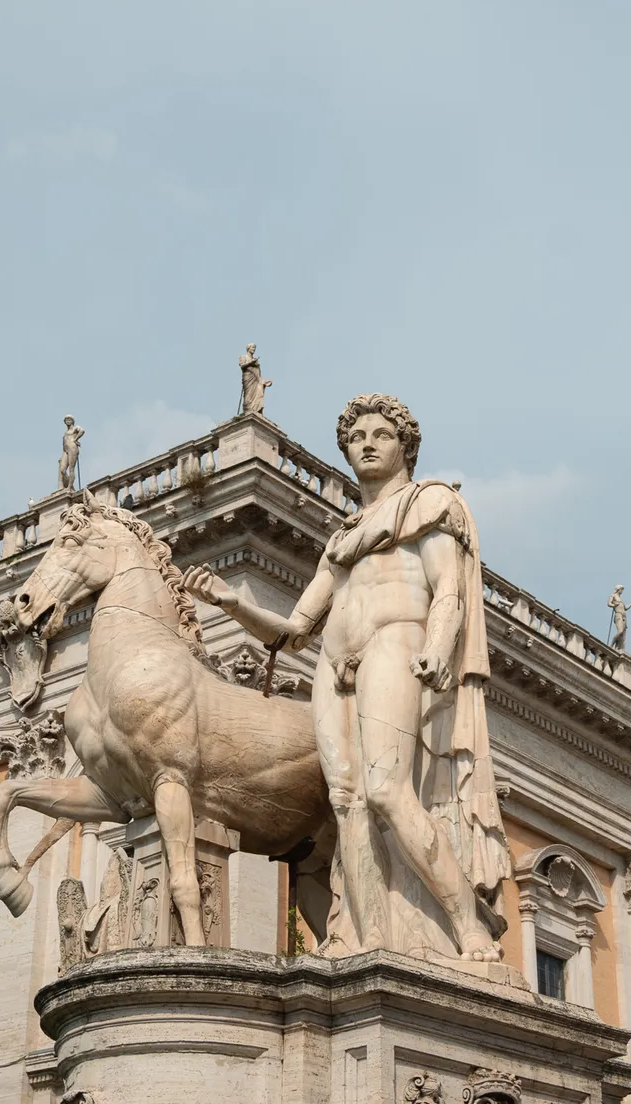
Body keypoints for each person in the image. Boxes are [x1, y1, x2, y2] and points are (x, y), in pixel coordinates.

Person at [184, 393, 507, 960]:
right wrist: (235, 605)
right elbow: (294, 630)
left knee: (386, 791)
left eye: (380, 434)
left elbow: (449, 590)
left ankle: (468, 927)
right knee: (347, 801)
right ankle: (369, 940)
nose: (367, 444)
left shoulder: (426, 505)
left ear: (404, 446)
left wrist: (436, 647)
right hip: (335, 664)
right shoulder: (341, 543)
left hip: (396, 644)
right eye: (357, 437)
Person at [238, 343, 272, 415]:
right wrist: (251, 363)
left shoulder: (256, 361)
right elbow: (242, 366)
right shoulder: (243, 357)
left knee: (258, 392)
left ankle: (255, 409)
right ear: (248, 348)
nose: (254, 349)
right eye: (252, 347)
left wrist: (264, 381)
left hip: (256, 380)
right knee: (248, 395)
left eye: (254, 348)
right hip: (248, 378)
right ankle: (247, 410)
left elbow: (259, 374)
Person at [58, 416, 85, 491]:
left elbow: (82, 430)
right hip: (65, 450)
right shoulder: (65, 432)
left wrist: (76, 439)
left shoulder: (75, 428)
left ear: (72, 421)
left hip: (72, 448)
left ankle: (69, 487)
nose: (67, 421)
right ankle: (71, 485)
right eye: (66, 420)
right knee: (62, 470)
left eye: (69, 420)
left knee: (71, 469)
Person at [607, 584, 631, 653]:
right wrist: (614, 605)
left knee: (623, 634)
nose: (622, 591)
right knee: (620, 631)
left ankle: (619, 648)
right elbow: (609, 604)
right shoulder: (613, 595)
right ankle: (610, 646)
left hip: (624, 617)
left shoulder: (620, 599)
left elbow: (625, 608)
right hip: (618, 615)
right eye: (621, 589)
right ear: (618, 589)